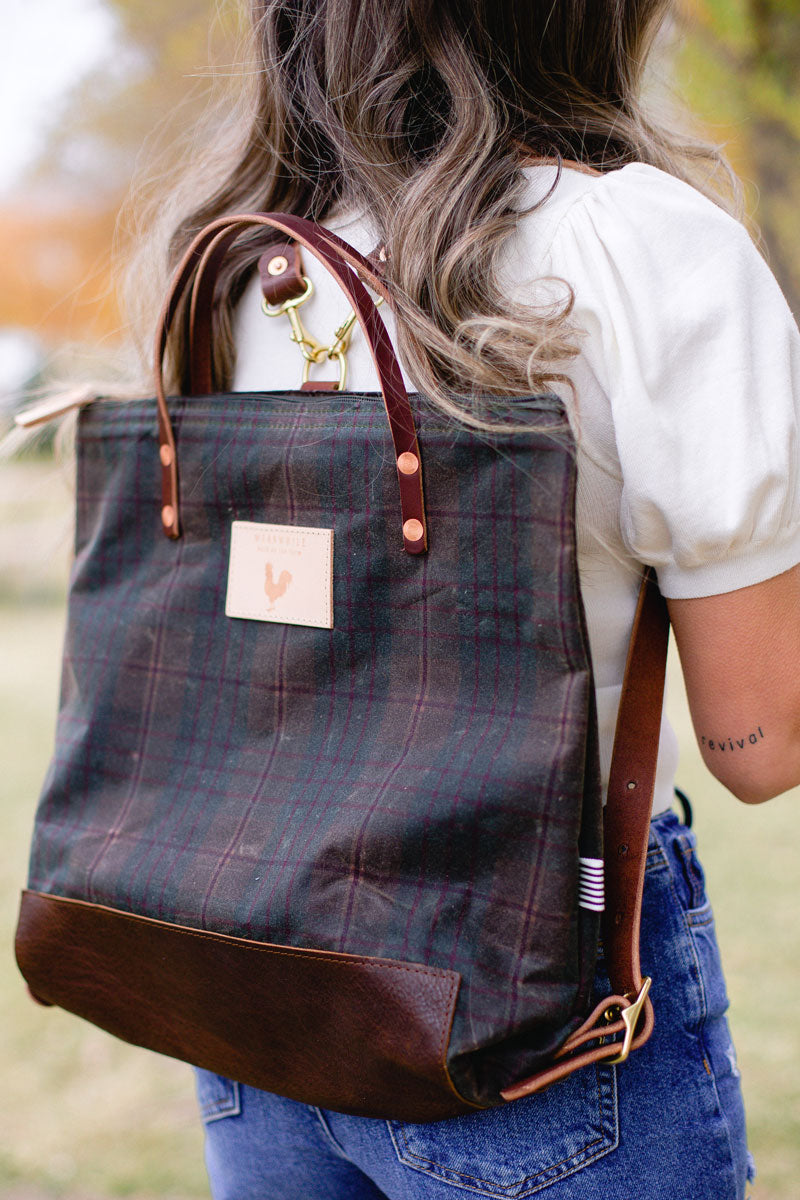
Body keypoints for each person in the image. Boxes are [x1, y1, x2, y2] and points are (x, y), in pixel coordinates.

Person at [134, 1, 800, 1196]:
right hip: (533, 999)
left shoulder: (233, 264)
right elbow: (759, 742)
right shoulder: (638, 244)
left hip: (251, 978)